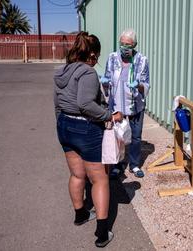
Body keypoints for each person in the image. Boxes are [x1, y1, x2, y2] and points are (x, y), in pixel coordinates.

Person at [54, 32, 122, 248]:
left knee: (76, 174)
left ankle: (81, 214)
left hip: (64, 124)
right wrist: (109, 116)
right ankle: (102, 233)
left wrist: (63, 125)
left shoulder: (62, 70)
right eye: (97, 56)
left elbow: (57, 102)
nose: (97, 60)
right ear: (92, 54)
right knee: (99, 179)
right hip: (85, 127)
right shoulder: (88, 73)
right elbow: (85, 104)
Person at [101, 28, 150, 178]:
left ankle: (134, 165)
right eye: (122, 44)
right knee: (117, 135)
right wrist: (104, 83)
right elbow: (107, 78)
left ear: (134, 45)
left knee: (135, 136)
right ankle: (117, 164)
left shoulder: (142, 60)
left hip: (135, 104)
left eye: (128, 45)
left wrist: (139, 85)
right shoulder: (112, 57)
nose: (124, 47)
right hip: (116, 105)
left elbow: (146, 84)